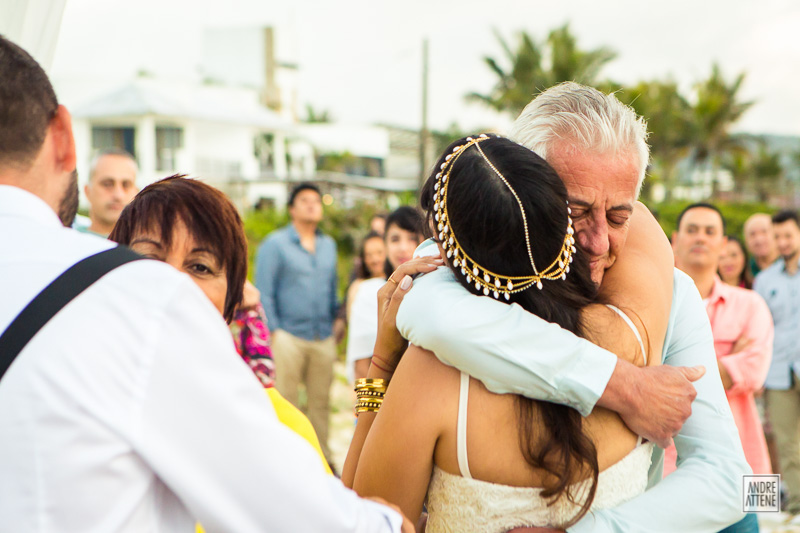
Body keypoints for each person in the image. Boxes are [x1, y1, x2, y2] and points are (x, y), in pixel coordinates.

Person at [0, 35, 412, 532]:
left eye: (200, 266)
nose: (169, 279)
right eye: (146, 256)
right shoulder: (131, 302)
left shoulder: (281, 421)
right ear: (64, 136)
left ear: (235, 298)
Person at [388, 82, 749, 532]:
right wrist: (625, 386)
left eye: (619, 216)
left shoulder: (672, 295)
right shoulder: (454, 276)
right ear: (523, 189)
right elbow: (432, 311)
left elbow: (733, 479)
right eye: (576, 212)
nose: (598, 242)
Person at [345, 134, 673, 531]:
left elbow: (358, 520)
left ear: (447, 253)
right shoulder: (629, 330)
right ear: (561, 229)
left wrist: (381, 364)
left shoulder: (430, 376)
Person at [670, 203, 774, 533]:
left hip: (746, 460)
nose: (700, 237)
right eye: (692, 230)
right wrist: (726, 363)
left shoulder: (751, 304)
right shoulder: (654, 303)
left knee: (760, 524)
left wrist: (671, 370)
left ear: (725, 243)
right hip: (669, 466)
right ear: (675, 240)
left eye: (709, 231)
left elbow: (755, 373)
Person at [255, 182, 342, 463]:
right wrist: (275, 332)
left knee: (320, 405)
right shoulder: (275, 244)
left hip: (323, 337)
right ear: (292, 209)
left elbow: (332, 287)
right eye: (304, 200)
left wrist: (337, 323)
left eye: (316, 200)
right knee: (285, 403)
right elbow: (264, 291)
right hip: (287, 337)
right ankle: (285, 462)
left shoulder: (328, 245)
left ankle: (323, 462)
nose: (311, 204)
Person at [754, 209, 800, 519]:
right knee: (786, 443)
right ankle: (796, 507)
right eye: (778, 236)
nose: (782, 242)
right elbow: (761, 329)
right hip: (777, 371)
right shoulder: (763, 280)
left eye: (788, 235)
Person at [346, 208, 425, 383]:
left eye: (412, 238)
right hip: (383, 398)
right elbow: (362, 366)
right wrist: (370, 408)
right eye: (395, 239)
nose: (403, 248)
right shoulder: (370, 291)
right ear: (385, 244)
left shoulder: (433, 290)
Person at [77, 148, 139, 236]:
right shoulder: (67, 244)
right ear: (87, 191)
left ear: (136, 193)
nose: (118, 195)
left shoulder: (150, 247)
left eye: (126, 185)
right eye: (107, 184)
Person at [744, 213, 779, 278]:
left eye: (764, 232)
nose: (759, 239)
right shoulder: (744, 271)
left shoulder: (790, 265)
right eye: (752, 234)